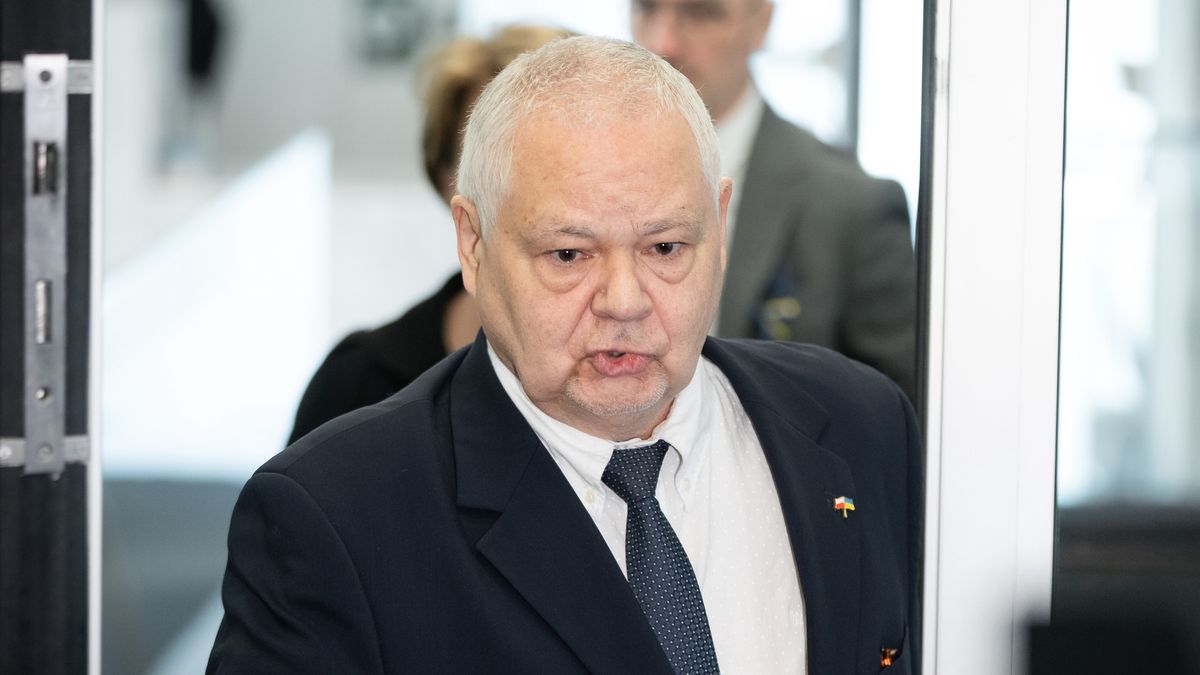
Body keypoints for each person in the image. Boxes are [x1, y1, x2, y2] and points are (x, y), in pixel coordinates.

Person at [209, 36, 920, 674]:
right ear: (474, 243)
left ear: (721, 223)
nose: (624, 299)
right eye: (570, 253)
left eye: (665, 247)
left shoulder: (860, 424)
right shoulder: (336, 517)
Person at [287, 25, 570, 445]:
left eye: (562, 157)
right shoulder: (359, 383)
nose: (535, 190)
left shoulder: (649, 368)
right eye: (497, 160)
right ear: (449, 184)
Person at [632, 0, 918, 402]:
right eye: (645, 9)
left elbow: (895, 420)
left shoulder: (852, 208)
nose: (662, 43)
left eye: (701, 13)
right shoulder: (580, 178)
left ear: (762, 23)